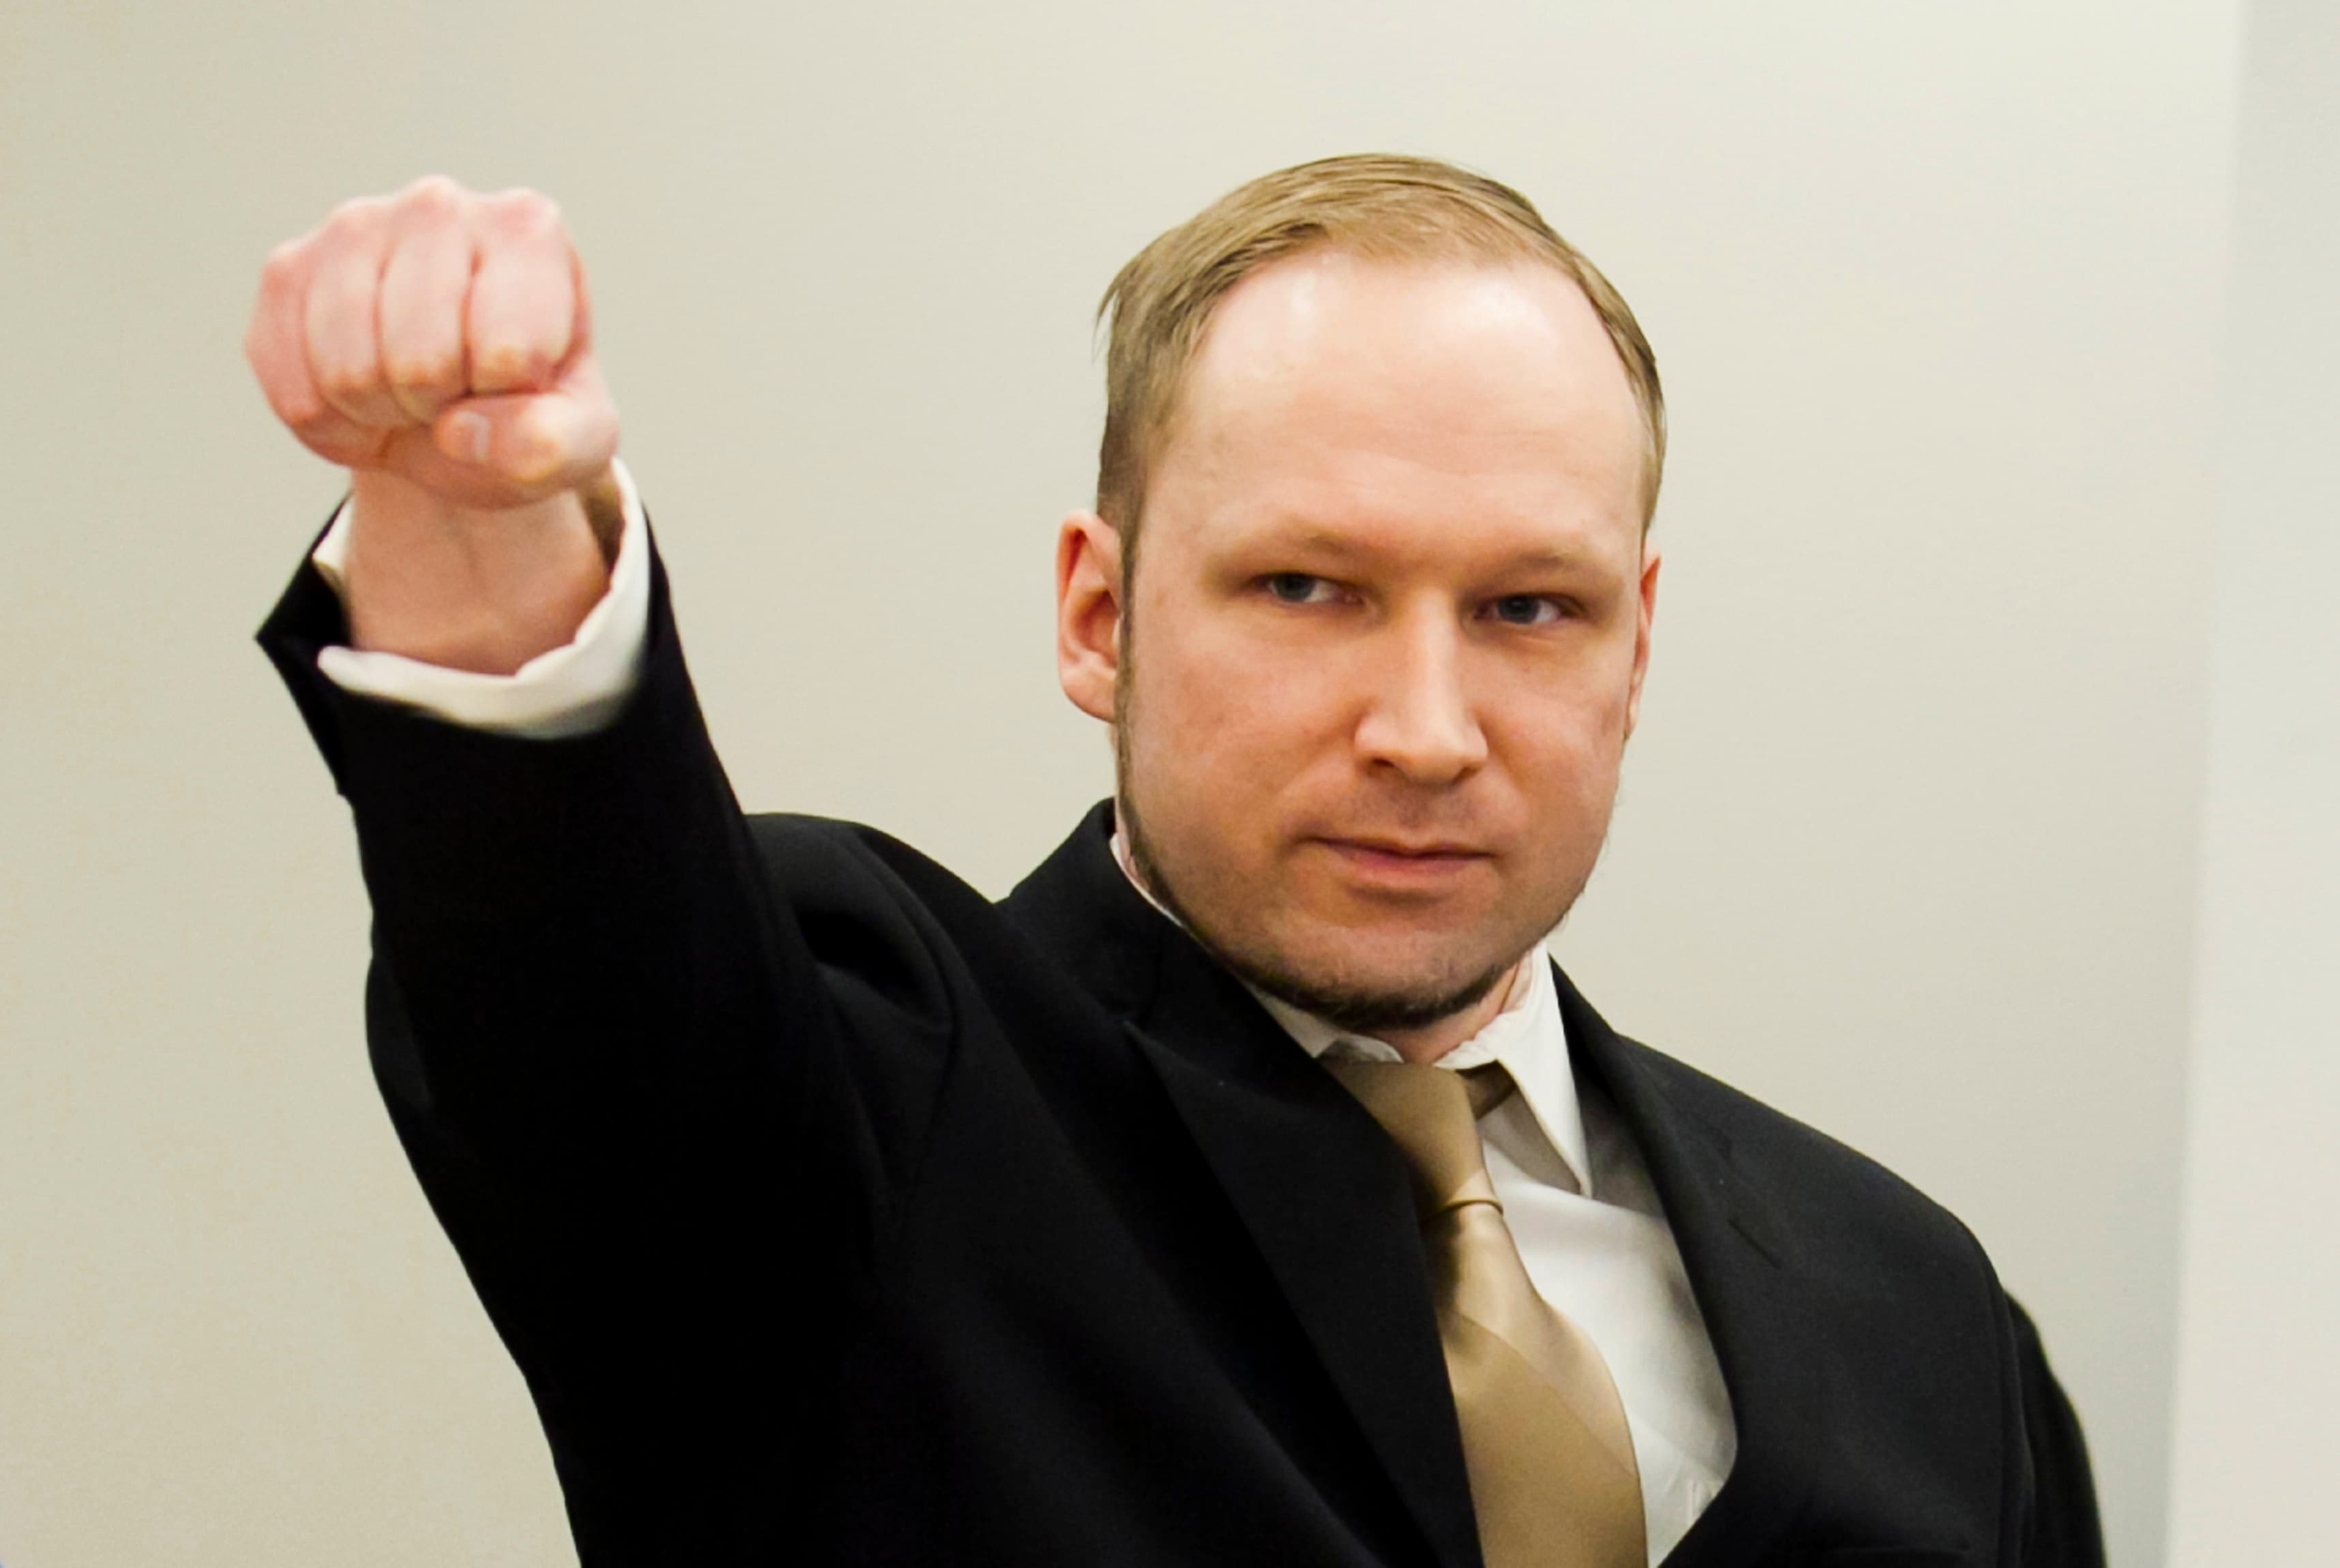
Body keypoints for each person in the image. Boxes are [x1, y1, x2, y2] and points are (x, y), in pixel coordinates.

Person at [250, 156, 2103, 1567]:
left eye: (1533, 607)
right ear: (1097, 610)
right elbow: (589, 988)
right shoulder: (861, 1094)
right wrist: (486, 563)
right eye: (1311, 588)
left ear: (1640, 645)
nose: (1427, 725)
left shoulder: (1919, 1312)